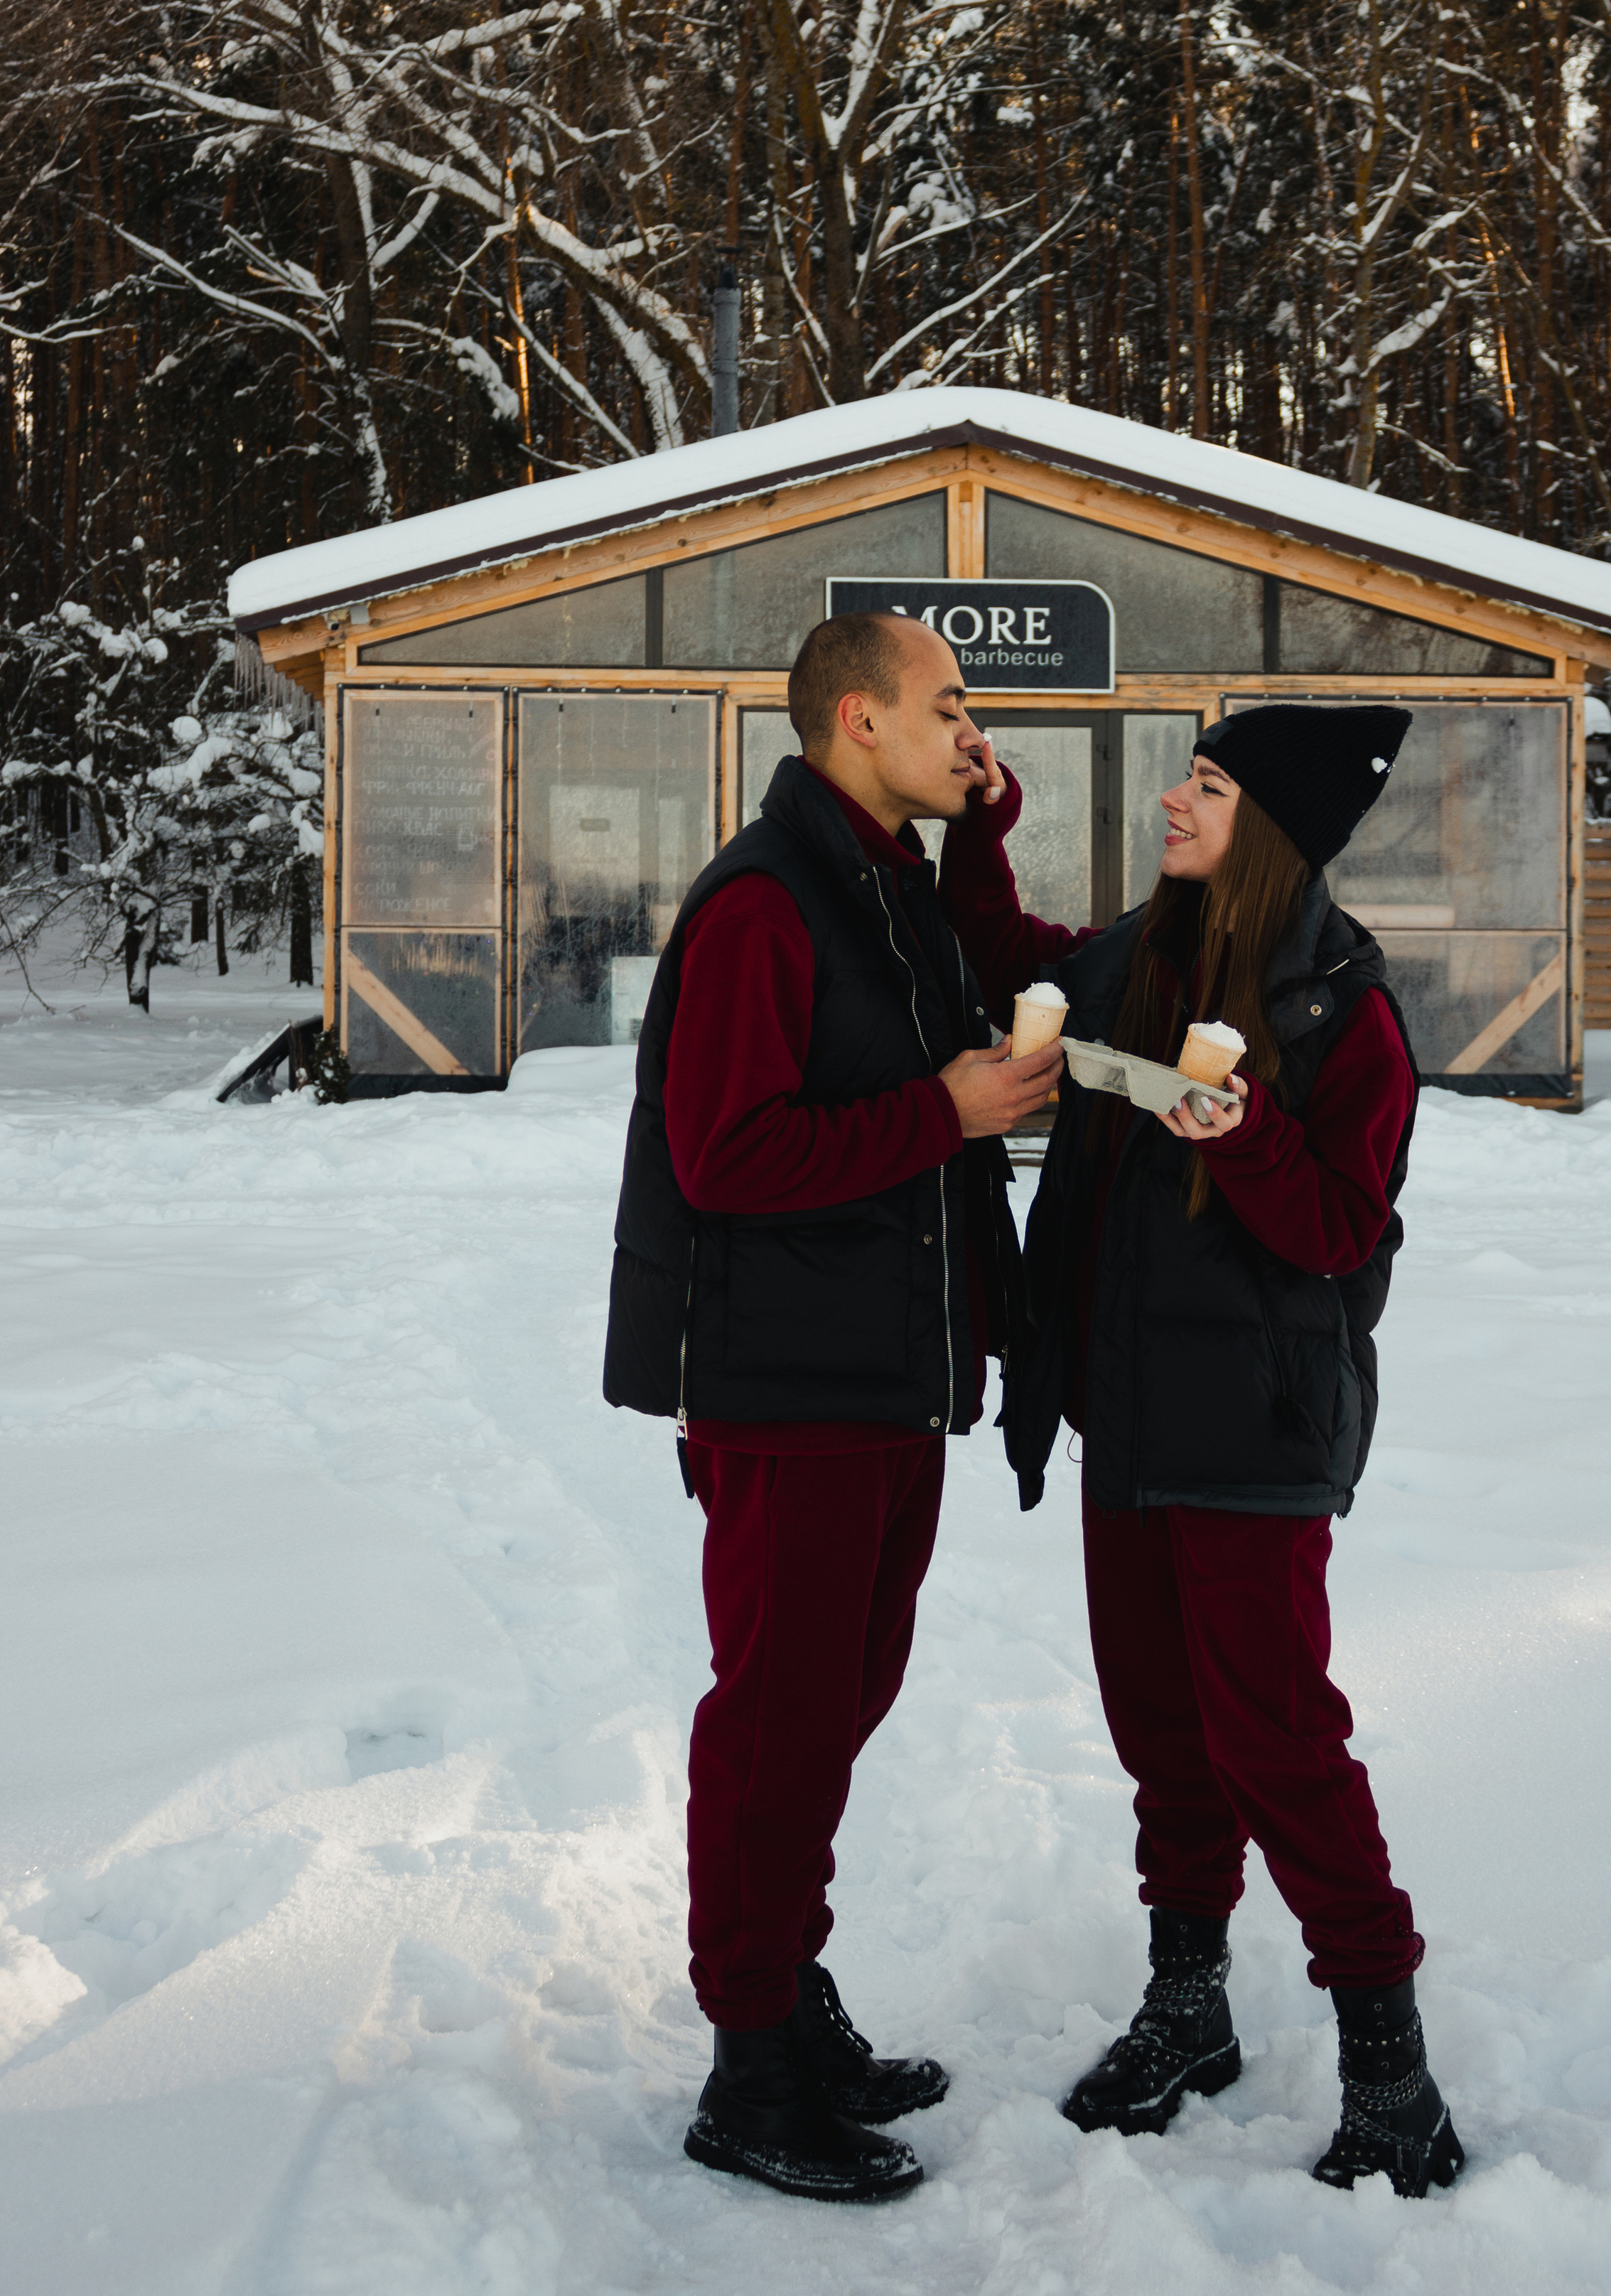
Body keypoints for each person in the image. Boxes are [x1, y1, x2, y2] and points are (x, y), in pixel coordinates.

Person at [937, 701, 1467, 2199]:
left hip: (1250, 1429)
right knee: (1161, 1737)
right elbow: (1011, 967)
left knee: (1276, 1746)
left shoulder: (1336, 1010)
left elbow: (1343, 1236)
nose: (1175, 801)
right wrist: (977, 831)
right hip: (1127, 1418)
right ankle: (1188, 2008)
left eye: (1209, 785)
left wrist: (1237, 1136)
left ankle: (1388, 2064)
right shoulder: (1136, 954)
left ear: (1273, 827)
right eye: (1186, 774)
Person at [603, 610, 1060, 2204]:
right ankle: (747, 2072)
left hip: (878, 1381)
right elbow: (726, 1154)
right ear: (856, 722)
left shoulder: (880, 885)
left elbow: (981, 973)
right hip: (788, 1389)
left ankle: (789, 2007)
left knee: (828, 1715)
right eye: (946, 707)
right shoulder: (764, 904)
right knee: (776, 1727)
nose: (969, 731)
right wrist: (943, 1108)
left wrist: (985, 843)